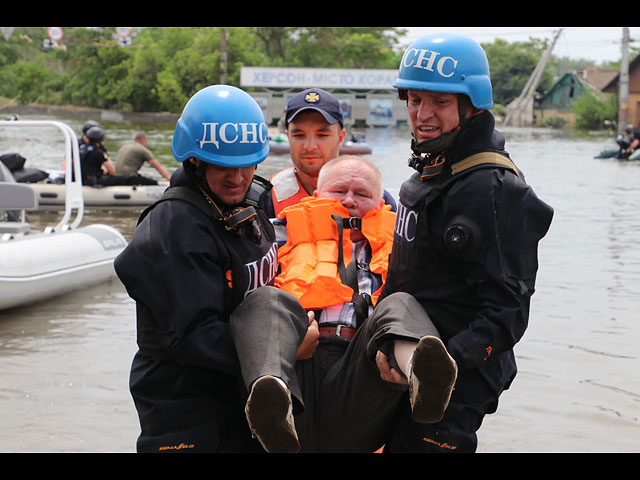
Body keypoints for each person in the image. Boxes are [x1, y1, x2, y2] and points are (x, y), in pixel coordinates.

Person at [373, 33, 554, 453]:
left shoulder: (491, 188)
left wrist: (445, 365)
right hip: (410, 358)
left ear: (470, 105)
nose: (423, 114)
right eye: (415, 100)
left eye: (439, 102)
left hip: (460, 375)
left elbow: (508, 310)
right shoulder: (434, 170)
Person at [229, 155, 458, 453]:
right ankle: (270, 398)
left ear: (379, 203)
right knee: (266, 299)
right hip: (298, 366)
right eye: (339, 191)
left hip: (363, 372)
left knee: (400, 303)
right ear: (317, 195)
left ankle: (421, 375)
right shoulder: (272, 233)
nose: (349, 200)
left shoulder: (404, 247)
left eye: (362, 194)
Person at [114, 85, 279, 453]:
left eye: (245, 165)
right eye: (222, 166)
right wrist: (281, 351)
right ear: (194, 161)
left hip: (238, 402)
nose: (236, 178)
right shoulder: (176, 227)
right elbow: (195, 338)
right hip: (185, 413)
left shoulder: (249, 203)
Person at [263, 87, 396, 218]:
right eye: (299, 135)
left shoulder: (375, 197)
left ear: (341, 137)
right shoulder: (266, 199)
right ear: (288, 137)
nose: (310, 146)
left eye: (322, 135)